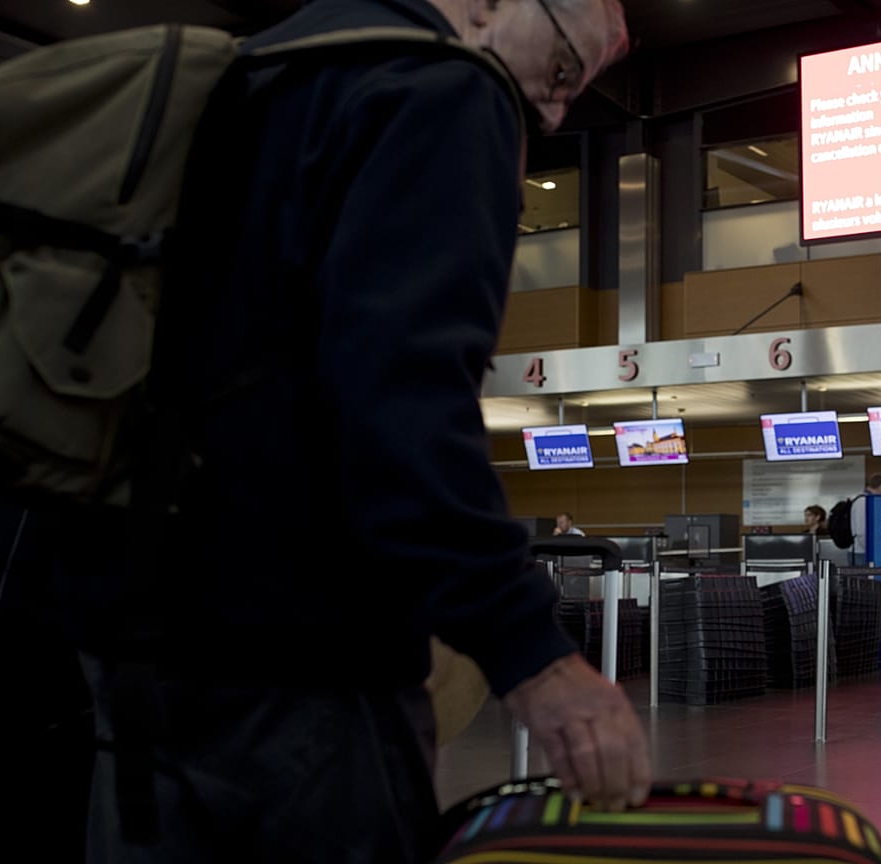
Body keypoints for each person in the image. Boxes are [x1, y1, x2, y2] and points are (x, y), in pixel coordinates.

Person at [45, 2, 648, 862]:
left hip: (132, 642)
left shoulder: (249, 74)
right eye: (560, 71)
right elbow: (401, 399)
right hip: (301, 666)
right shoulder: (443, 88)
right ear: (487, 6)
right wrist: (534, 655)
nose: (553, 114)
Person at [848, 472, 881, 563]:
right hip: (861, 552)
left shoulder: (866, 501)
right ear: (880, 487)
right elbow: (861, 532)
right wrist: (871, 550)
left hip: (863, 550)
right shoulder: (863, 502)